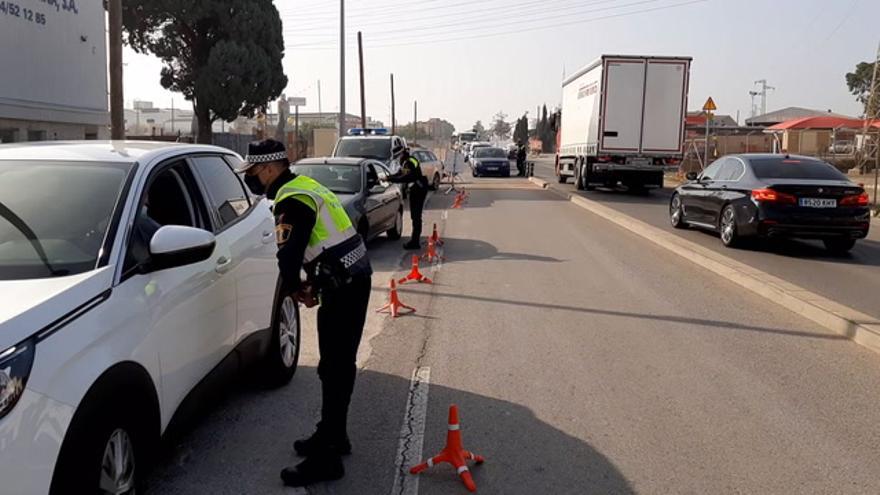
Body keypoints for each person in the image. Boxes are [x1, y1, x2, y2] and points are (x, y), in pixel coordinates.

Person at [235, 139, 372, 487]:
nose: (251, 179)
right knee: (338, 365)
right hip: (352, 277)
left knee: (334, 367)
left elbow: (289, 256)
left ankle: (327, 458)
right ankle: (334, 435)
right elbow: (322, 243)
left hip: (343, 285)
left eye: (252, 172)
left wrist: (298, 291)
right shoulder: (307, 186)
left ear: (268, 169)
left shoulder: (291, 199)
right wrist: (313, 283)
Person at [388, 145, 429, 250]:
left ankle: (415, 242)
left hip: (418, 190)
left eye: (398, 156)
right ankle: (415, 240)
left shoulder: (408, 162)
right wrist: (389, 177)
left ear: (401, 154)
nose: (398, 158)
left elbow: (406, 177)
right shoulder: (408, 161)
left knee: (416, 217)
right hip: (417, 189)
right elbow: (400, 173)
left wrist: (391, 179)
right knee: (415, 216)